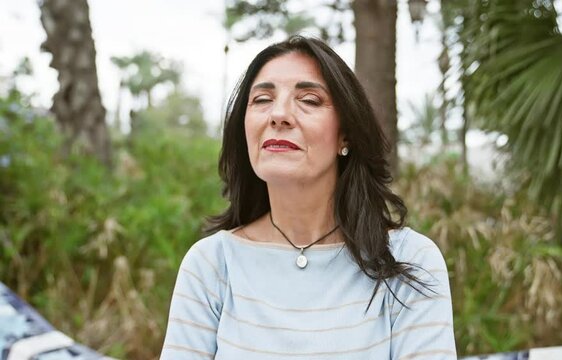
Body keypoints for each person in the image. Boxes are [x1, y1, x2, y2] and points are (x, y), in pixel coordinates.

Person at [160, 35, 456, 359]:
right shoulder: (211, 266)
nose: (279, 114)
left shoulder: (410, 261)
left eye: (309, 100)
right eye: (261, 100)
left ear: (346, 134)